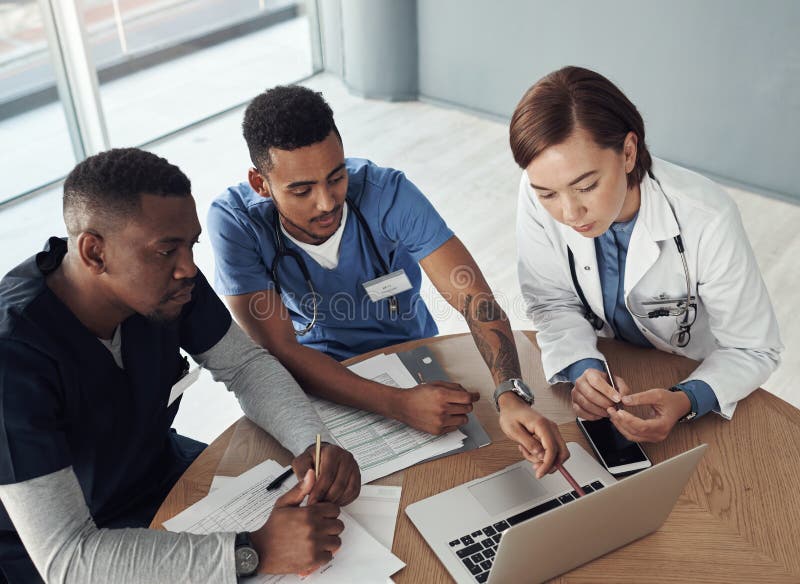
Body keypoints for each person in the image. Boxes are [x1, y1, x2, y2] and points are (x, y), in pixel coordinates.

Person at [0, 148, 361, 583]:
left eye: (190, 245)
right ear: (95, 253)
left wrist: (314, 442)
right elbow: (68, 559)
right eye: (167, 250)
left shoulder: (168, 284)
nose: (189, 268)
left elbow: (245, 365)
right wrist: (250, 552)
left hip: (160, 475)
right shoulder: (14, 359)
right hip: (65, 549)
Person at [207, 85, 567, 476]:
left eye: (336, 176)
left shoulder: (387, 192)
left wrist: (510, 392)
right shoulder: (236, 223)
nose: (327, 202)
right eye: (302, 190)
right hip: (318, 374)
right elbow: (280, 350)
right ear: (261, 184)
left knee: (465, 472)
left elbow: (474, 297)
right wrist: (397, 404)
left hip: (413, 354)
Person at [509, 66, 783, 442]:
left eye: (586, 186)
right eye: (548, 195)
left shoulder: (707, 217)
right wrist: (582, 368)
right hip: (610, 363)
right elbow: (551, 301)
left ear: (627, 152)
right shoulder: (536, 186)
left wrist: (688, 398)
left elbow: (753, 349)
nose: (569, 213)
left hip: (690, 371)